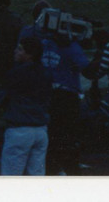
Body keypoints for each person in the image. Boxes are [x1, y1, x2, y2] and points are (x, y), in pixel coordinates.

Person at [0, 37, 52, 175]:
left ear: (30, 54)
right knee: (37, 176)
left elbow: (2, 97)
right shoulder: (45, 73)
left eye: (20, 49)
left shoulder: (16, 73)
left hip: (20, 129)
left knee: (11, 177)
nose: (15, 51)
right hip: (40, 129)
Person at [40, 28, 91, 174]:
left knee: (53, 131)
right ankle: (69, 165)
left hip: (49, 91)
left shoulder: (44, 43)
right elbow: (87, 69)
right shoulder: (71, 47)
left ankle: (53, 165)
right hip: (67, 93)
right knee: (68, 132)